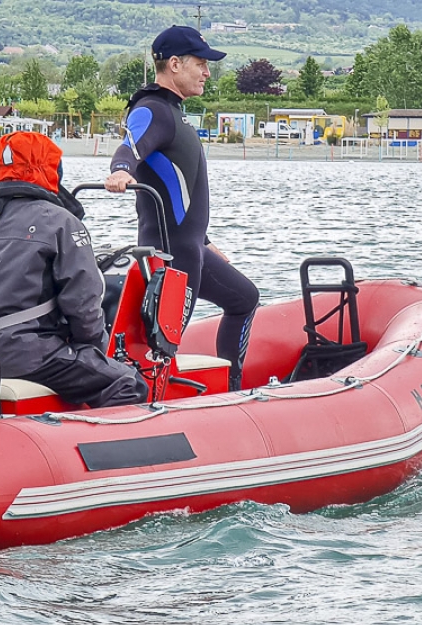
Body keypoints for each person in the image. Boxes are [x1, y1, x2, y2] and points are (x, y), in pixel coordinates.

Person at [0, 131, 149, 408]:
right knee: (127, 382)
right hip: (27, 357)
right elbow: (83, 306)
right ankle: (83, 446)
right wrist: (95, 351)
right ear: (49, 169)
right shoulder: (61, 222)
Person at [105, 25, 260, 391]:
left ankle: (231, 391)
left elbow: (181, 187)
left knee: (243, 298)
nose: (207, 72)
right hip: (169, 257)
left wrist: (204, 240)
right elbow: (129, 148)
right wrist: (120, 172)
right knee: (161, 345)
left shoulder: (174, 112)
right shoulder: (152, 109)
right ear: (174, 64)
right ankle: (142, 407)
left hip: (192, 250)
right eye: (201, 64)